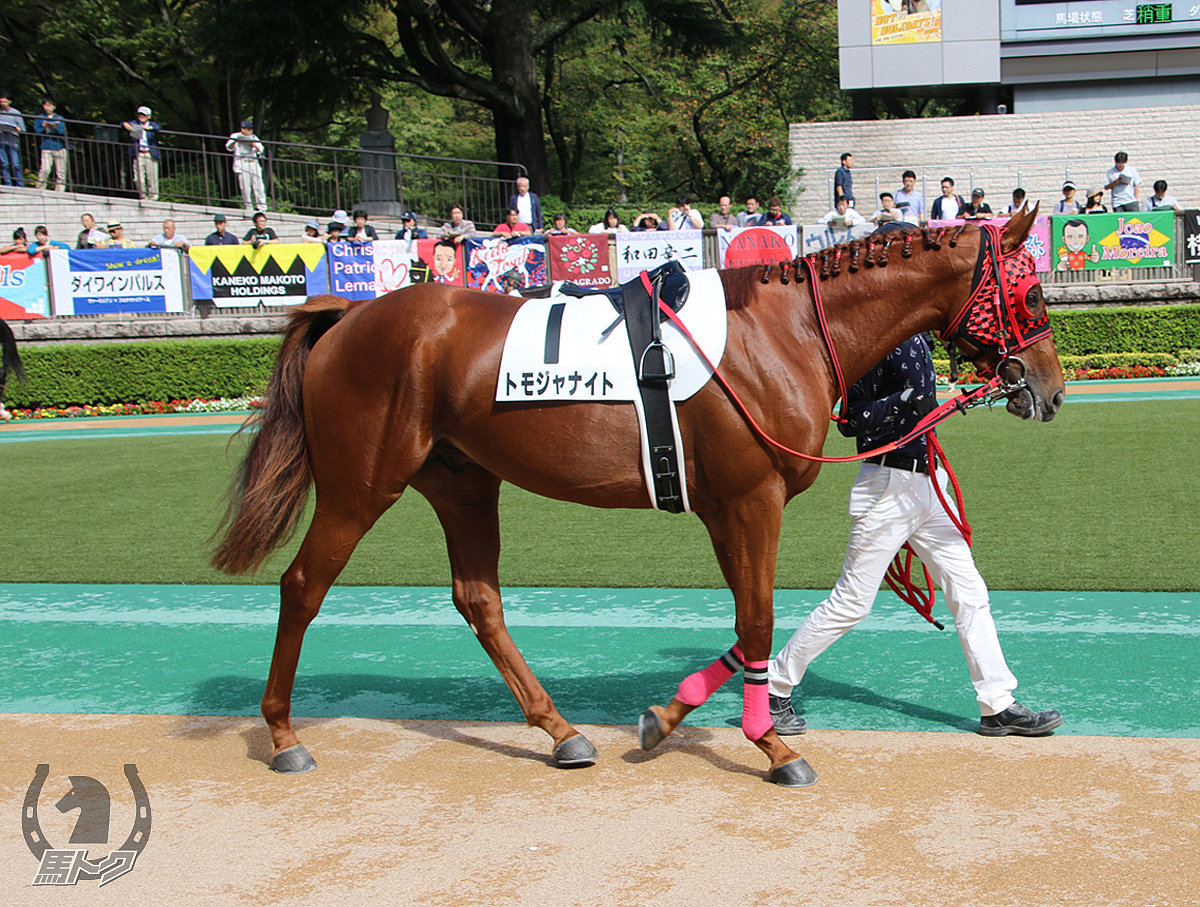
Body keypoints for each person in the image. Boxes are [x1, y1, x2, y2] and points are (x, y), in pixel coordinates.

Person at [766, 331, 1064, 740]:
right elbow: (851, 421)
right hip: (887, 487)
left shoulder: (920, 339)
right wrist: (904, 402)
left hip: (929, 484)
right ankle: (773, 686)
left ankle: (997, 706)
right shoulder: (877, 342)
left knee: (969, 592)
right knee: (851, 603)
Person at [226, 120, 267, 215]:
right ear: (242, 129)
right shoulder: (235, 136)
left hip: (253, 162)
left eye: (251, 129)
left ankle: (262, 207)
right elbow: (229, 147)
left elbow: (261, 149)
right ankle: (248, 208)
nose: (250, 131)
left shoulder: (254, 137)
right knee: (245, 187)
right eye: (248, 129)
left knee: (259, 186)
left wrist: (254, 145)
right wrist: (236, 141)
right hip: (242, 163)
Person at [122, 106, 161, 201]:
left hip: (150, 154)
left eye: (144, 115)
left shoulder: (152, 124)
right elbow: (122, 123)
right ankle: (143, 196)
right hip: (138, 153)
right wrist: (125, 124)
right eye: (140, 114)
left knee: (152, 177)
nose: (141, 116)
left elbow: (158, 127)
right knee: (137, 178)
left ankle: (153, 197)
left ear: (148, 116)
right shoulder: (135, 124)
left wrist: (146, 128)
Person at [33, 98, 67, 191]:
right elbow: (36, 131)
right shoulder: (40, 117)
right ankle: (40, 188)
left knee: (61, 171)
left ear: (54, 107)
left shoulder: (59, 118)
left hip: (59, 146)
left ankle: (60, 190)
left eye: (49, 105)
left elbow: (62, 131)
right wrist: (44, 128)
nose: (47, 107)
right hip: (46, 146)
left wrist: (53, 127)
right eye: (45, 105)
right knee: (45, 169)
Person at [0, 91, 26, 187]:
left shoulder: (15, 113)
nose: (3, 104)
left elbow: (22, 129)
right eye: (1, 102)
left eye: (5, 102)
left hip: (13, 141)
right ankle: (8, 183)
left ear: (9, 101)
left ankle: (19, 184)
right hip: (1, 140)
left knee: (15, 164)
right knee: (4, 164)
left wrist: (16, 129)